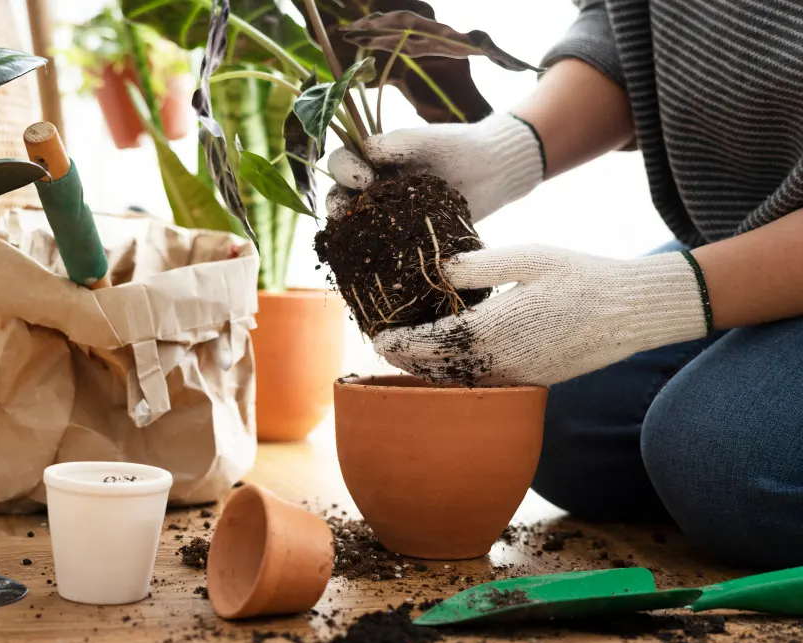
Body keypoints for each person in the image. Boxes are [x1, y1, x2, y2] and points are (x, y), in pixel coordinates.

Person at [326, 0, 803, 570]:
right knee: (560, 423)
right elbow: (626, 27)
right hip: (750, 232)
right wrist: (502, 151)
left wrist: (646, 299)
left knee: (721, 461)